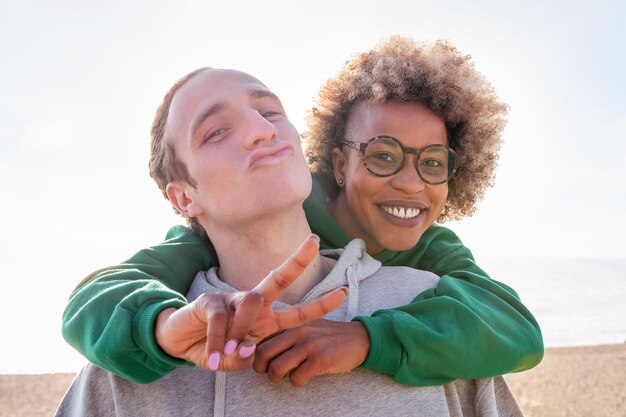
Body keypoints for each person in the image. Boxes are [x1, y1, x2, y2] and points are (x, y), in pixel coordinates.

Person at [62, 36, 543, 386]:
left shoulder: (434, 252)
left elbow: (514, 329)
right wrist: (163, 327)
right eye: (383, 155)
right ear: (339, 162)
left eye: (433, 163)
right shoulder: (263, 207)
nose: (410, 182)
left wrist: (365, 340)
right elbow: (100, 295)